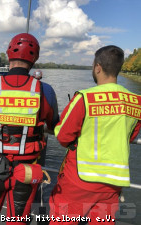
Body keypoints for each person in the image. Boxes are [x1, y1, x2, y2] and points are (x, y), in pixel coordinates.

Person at [0, 33, 59, 225]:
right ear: (35, 59)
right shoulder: (44, 90)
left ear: (8, 55)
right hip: (27, 171)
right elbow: (55, 126)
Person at [49, 45, 141, 224]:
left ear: (98, 67)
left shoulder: (84, 97)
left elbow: (62, 136)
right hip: (113, 183)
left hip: (79, 180)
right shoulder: (136, 102)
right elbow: (130, 136)